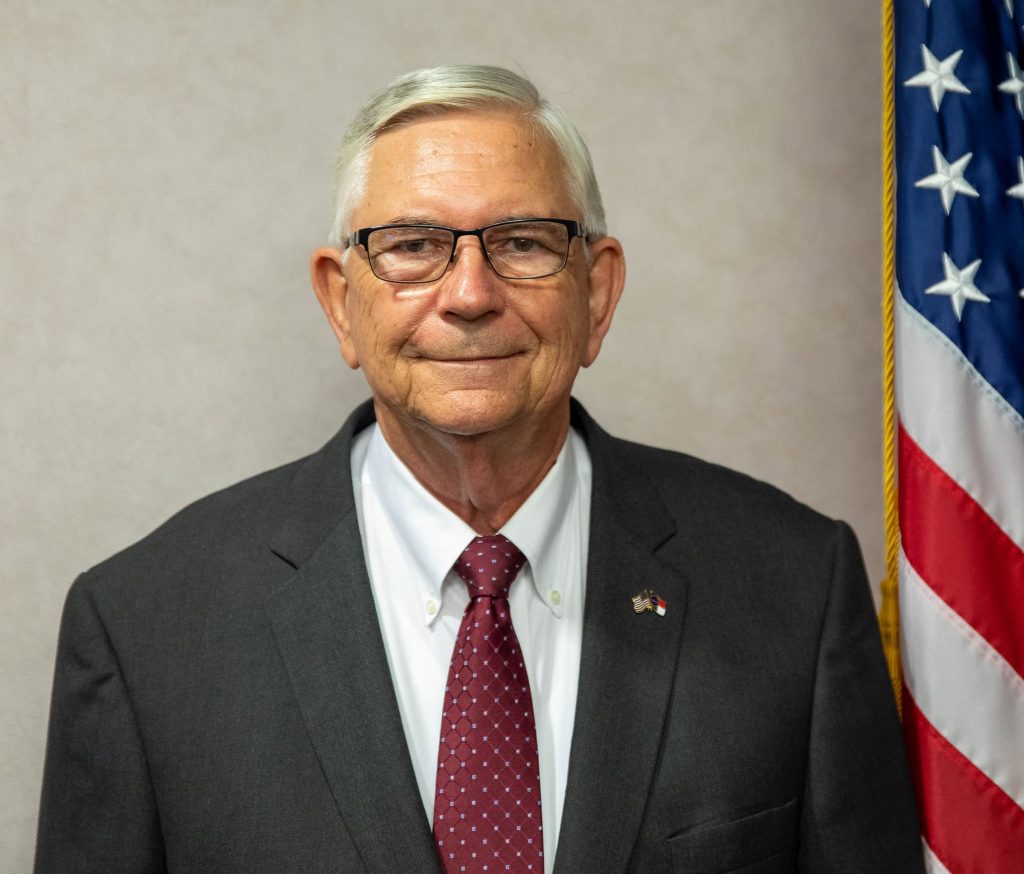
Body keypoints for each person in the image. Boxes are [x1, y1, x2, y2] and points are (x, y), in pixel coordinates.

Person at [35, 65, 923, 874]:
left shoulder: (794, 588)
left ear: (598, 293)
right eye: (413, 245)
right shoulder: (144, 629)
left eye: (525, 241)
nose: (468, 294)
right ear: (341, 303)